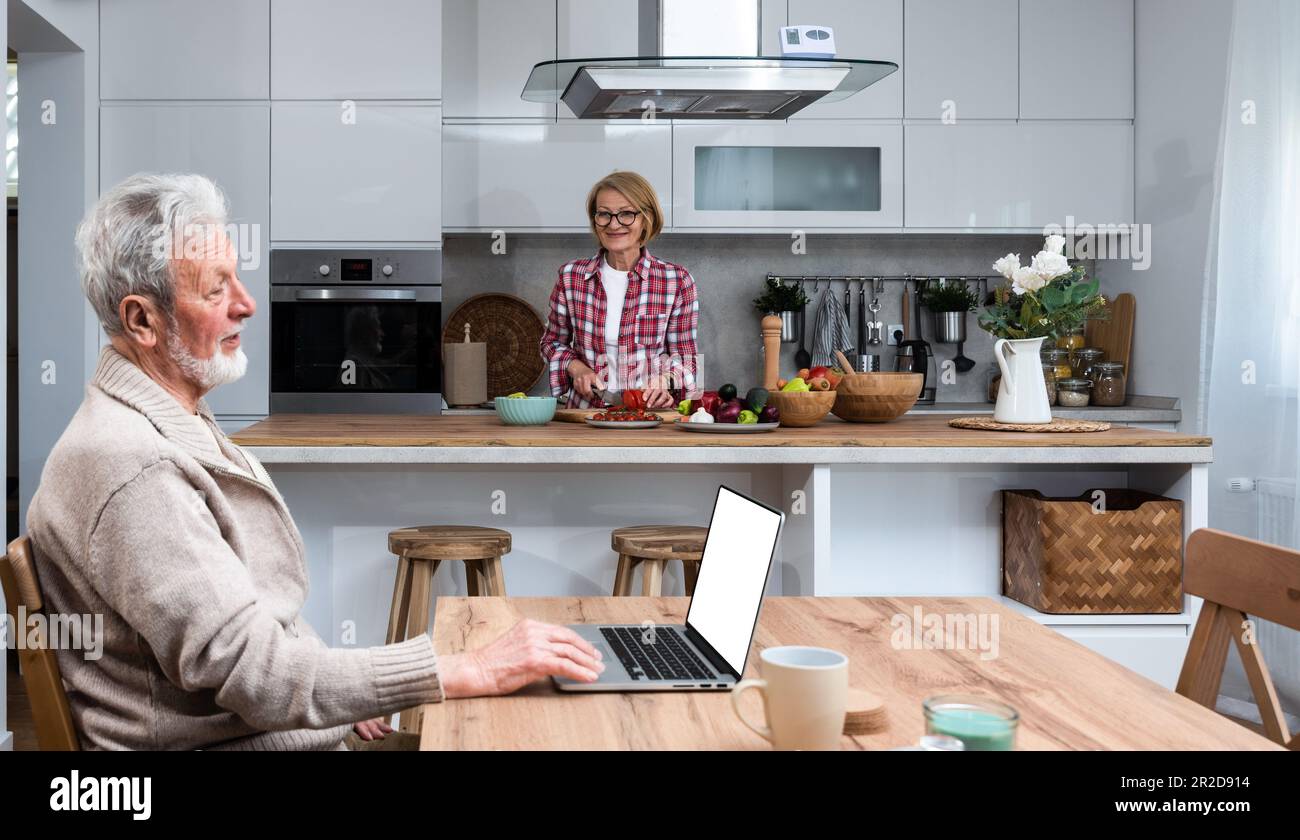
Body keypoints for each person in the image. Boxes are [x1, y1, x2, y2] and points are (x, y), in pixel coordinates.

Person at [26, 173, 603, 750]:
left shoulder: (165, 420)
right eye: (215, 289)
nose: (247, 305)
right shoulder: (134, 467)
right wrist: (460, 670)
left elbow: (252, 633)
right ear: (142, 321)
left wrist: (342, 698)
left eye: (236, 278)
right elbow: (254, 674)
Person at [540, 171, 699, 408]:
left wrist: (665, 381)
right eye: (604, 214)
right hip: (585, 415)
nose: (614, 224)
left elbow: (686, 358)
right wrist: (577, 368)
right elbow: (551, 343)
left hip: (649, 416)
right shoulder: (571, 277)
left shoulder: (676, 281)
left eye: (626, 214)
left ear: (647, 218)